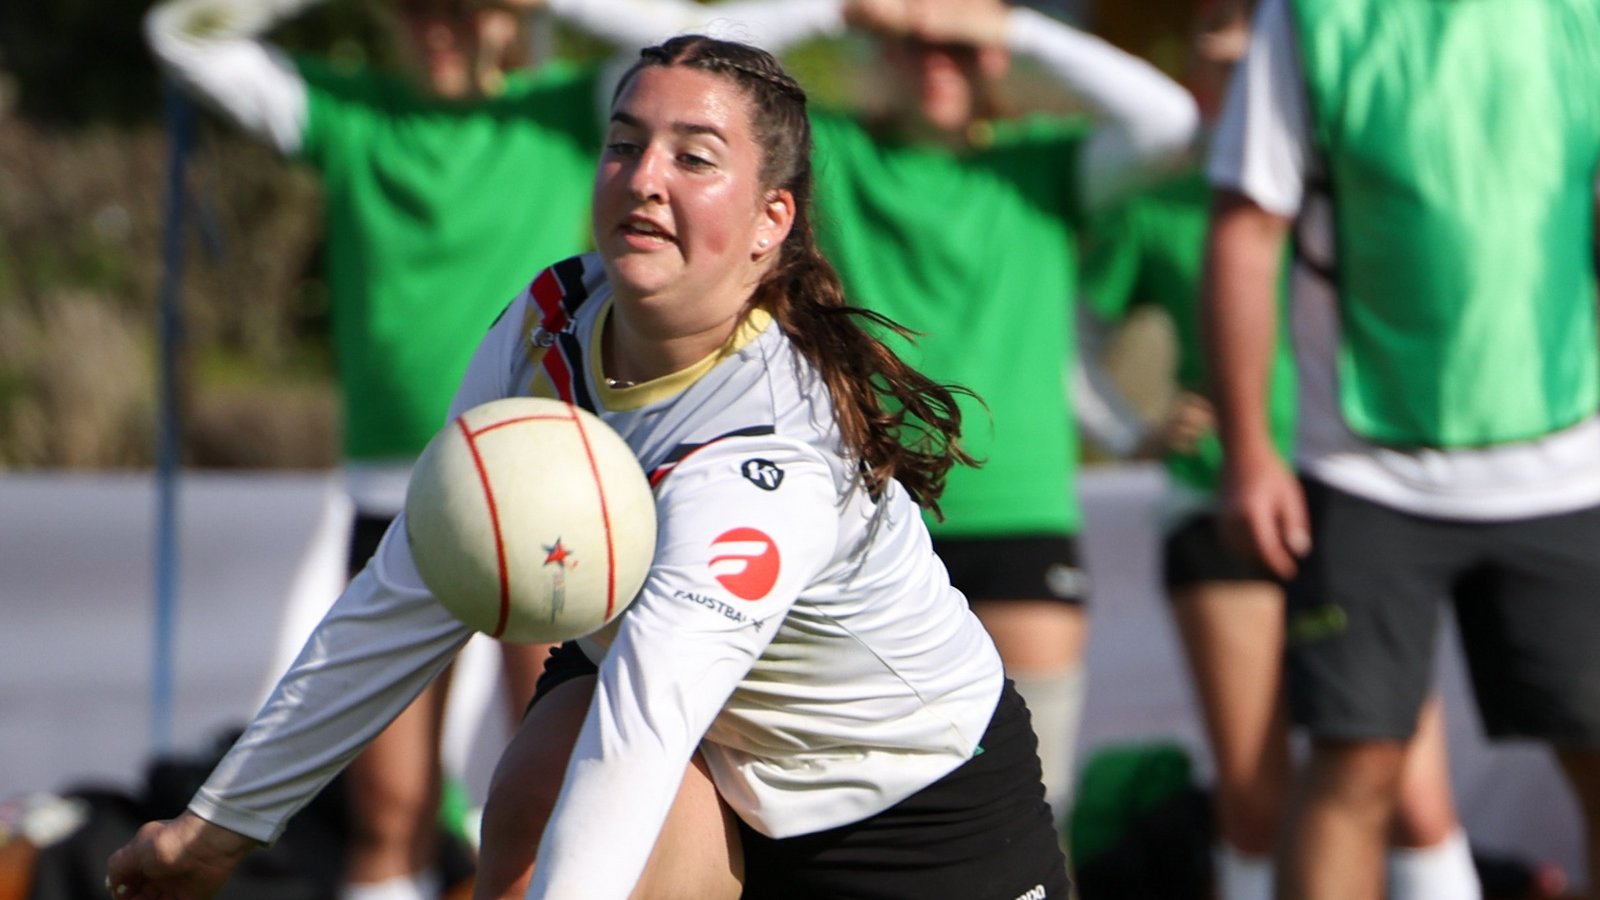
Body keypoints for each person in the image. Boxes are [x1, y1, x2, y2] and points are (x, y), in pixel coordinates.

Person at [106, 33, 1072, 900]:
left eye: (694, 157)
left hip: (910, 812)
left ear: (772, 219)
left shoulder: (768, 448)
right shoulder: (553, 317)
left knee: (598, 775)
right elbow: (414, 581)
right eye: (624, 143)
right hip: (698, 745)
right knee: (534, 792)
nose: (646, 175)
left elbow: (644, 733)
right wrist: (215, 828)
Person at [529, 0, 1201, 830]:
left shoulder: (1043, 167)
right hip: (852, 515)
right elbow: (703, 67)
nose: (938, 64)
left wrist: (1006, 27)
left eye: (962, 51)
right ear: (879, 50)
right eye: (915, 47)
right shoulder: (838, 155)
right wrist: (846, 9)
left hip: (1019, 514)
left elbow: (1167, 119)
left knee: (1025, 810)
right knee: (817, 815)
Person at [142, 0, 603, 895]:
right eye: (418, 8)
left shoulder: (566, 112)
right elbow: (181, 35)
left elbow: (733, 44)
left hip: (541, 490)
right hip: (396, 503)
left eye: (464, 12)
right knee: (388, 814)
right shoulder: (355, 114)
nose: (440, 26)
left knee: (551, 799)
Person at [1075, 4, 1482, 898]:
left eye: (1254, 60)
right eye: (1219, 62)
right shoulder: (1162, 205)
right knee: (1257, 801)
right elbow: (1068, 325)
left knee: (1411, 793)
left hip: (1365, 511)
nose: (1241, 82)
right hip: (1216, 508)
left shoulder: (1363, 182)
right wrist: (1122, 426)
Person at [1203, 0, 1600, 896]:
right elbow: (1247, 230)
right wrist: (1251, 454)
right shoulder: (1312, 19)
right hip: (1365, 468)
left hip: (1569, 458)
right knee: (1356, 766)